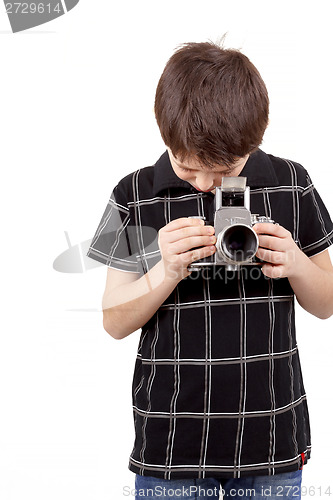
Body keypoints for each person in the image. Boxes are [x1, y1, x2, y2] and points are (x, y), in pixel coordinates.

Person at [86, 42, 333, 499]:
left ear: (253, 143)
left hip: (272, 435)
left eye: (222, 173)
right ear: (164, 136)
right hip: (170, 442)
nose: (202, 185)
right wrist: (167, 269)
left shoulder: (292, 182)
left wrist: (295, 263)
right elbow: (112, 321)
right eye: (186, 165)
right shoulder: (132, 192)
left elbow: (327, 304)